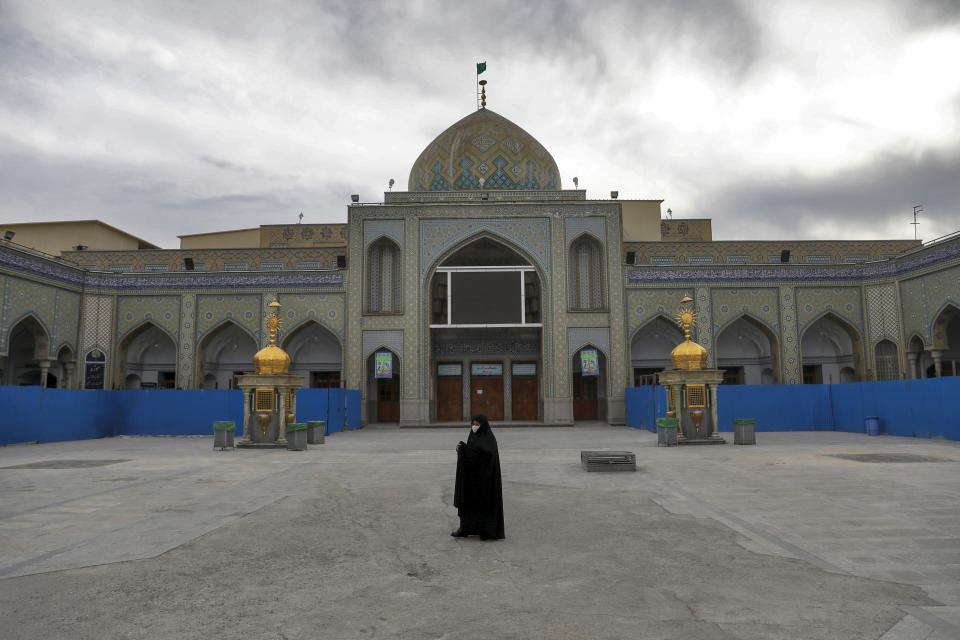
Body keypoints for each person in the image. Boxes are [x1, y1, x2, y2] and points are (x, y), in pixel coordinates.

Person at [451, 413, 505, 540]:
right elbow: (471, 452)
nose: (474, 427)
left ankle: (486, 530)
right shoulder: (473, 436)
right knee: (468, 500)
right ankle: (466, 528)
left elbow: (486, 456)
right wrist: (462, 449)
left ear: (483, 426)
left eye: (477, 425)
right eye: (473, 424)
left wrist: (466, 450)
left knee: (484, 504)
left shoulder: (489, 439)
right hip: (473, 479)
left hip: (485, 481)